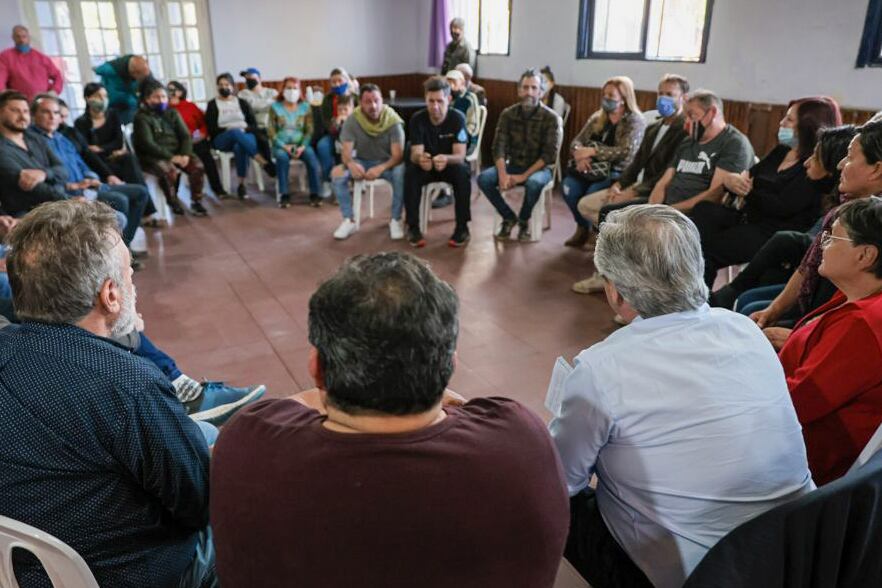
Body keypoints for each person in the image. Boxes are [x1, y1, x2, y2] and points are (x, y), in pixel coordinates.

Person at [211, 251, 569, 587]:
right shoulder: (522, 443)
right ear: (449, 366)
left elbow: (286, 409)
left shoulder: (248, 444)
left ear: (316, 369)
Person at [550, 204, 814, 588]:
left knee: (556, 495)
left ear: (616, 291)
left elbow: (563, 480)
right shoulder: (744, 329)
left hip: (697, 574)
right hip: (792, 554)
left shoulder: (601, 368)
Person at [0, 200, 217, 588]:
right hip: (136, 573)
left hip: (22, 572)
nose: (134, 283)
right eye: (129, 273)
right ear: (110, 295)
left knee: (206, 434)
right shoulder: (128, 385)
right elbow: (198, 504)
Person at [752, 119, 882, 350]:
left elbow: (854, 316)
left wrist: (801, 338)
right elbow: (809, 266)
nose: (840, 164)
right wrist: (774, 310)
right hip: (817, 321)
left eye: (850, 157)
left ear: (876, 169)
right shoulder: (843, 208)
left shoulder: (870, 226)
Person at [779, 197, 882, 486]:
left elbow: (797, 403)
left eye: (832, 237)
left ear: (865, 255)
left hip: (801, 461)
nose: (822, 244)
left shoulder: (862, 324)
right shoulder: (854, 298)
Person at [692, 97, 842, 287]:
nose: (782, 123)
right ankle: (689, 264)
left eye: (789, 120)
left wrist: (748, 193)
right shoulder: (782, 150)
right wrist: (733, 181)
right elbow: (750, 175)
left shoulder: (814, 166)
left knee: (709, 250)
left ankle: (699, 293)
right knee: (704, 211)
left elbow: (783, 206)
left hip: (772, 230)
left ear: (807, 126)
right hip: (750, 217)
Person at [710, 125, 857, 312]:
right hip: (777, 243)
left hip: (815, 283)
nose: (807, 163)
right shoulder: (832, 197)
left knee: (779, 247)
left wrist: (749, 193)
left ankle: (726, 295)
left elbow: (814, 252)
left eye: (815, 157)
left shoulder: (846, 208)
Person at [30, 94, 149, 250]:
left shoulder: (62, 138)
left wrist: (90, 177)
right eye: (46, 112)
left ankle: (123, 246)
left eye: (56, 113)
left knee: (140, 192)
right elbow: (48, 175)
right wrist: (72, 186)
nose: (52, 117)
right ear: (34, 115)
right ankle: (117, 250)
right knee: (120, 200)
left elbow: (81, 162)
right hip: (71, 192)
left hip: (89, 185)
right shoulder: (34, 142)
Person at [477, 68, 562, 242]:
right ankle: (508, 217)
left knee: (533, 183)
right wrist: (502, 174)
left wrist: (523, 176)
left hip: (540, 168)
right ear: (519, 90)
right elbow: (498, 147)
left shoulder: (551, 118)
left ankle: (523, 221)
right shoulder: (508, 114)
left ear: (541, 92)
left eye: (533, 88)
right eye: (525, 87)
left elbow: (548, 156)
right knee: (484, 179)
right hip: (513, 164)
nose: (529, 92)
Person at [562, 76, 645, 246]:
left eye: (611, 95)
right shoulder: (598, 118)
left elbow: (625, 152)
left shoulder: (634, 121)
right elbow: (576, 142)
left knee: (591, 193)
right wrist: (580, 156)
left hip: (616, 173)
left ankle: (597, 231)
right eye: (604, 94)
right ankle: (582, 228)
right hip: (588, 169)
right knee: (569, 188)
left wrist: (593, 151)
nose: (606, 99)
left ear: (624, 99)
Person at [330, 83, 405, 240]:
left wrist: (380, 168)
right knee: (337, 174)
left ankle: (395, 219)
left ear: (382, 100)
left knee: (401, 172)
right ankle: (349, 219)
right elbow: (346, 154)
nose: (373, 106)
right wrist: (351, 164)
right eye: (368, 102)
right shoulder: (352, 121)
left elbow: (397, 156)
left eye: (376, 100)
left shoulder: (393, 121)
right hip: (362, 162)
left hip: (387, 164)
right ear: (360, 103)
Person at [404, 76, 471, 248]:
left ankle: (462, 227)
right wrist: (420, 159)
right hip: (426, 166)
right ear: (425, 99)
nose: (435, 106)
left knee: (463, 171)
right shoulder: (417, 119)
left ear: (448, 99)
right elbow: (415, 153)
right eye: (431, 101)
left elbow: (460, 155)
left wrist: (446, 159)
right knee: (411, 173)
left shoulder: (457, 118)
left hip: (449, 165)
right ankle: (413, 227)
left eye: (440, 101)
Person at [133, 79, 208, 216]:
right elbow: (148, 144)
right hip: (153, 156)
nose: (161, 100)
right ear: (147, 99)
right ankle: (172, 201)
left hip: (178, 152)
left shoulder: (172, 113)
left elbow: (185, 136)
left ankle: (196, 201)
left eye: (163, 97)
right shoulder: (141, 118)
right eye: (156, 97)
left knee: (198, 166)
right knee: (170, 171)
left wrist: (185, 154)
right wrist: (172, 157)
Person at [205, 72, 276, 199]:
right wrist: (229, 128)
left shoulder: (242, 102)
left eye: (227, 84)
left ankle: (241, 185)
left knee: (240, 146)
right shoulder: (212, 104)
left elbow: (253, 124)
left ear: (232, 86)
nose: (224, 87)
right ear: (217, 87)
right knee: (234, 132)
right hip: (223, 138)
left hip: (244, 134)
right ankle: (263, 162)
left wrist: (244, 129)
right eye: (221, 85)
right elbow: (211, 128)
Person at [0, 90, 68, 215]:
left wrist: (44, 173)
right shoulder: (2, 149)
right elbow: (34, 188)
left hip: (59, 203)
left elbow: (63, 171)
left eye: (25, 111)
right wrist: (70, 201)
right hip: (29, 213)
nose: (22, 116)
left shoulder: (36, 138)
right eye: (15, 110)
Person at [74, 82, 147, 186]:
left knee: (130, 159)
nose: (103, 99)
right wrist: (106, 150)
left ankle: (142, 192)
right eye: (98, 96)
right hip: (97, 163)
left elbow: (118, 142)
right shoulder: (80, 122)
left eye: (105, 96)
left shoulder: (113, 115)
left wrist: (101, 148)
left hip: (113, 157)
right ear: (87, 98)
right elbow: (87, 150)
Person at [167, 80, 227, 197]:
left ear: (180, 92)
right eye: (168, 89)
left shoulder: (190, 106)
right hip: (176, 143)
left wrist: (200, 135)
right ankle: (174, 195)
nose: (170, 92)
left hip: (195, 139)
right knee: (177, 161)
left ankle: (217, 189)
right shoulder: (165, 109)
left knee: (206, 156)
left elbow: (203, 124)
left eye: (173, 89)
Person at [268, 77, 322, 208]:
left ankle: (315, 193)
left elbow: (309, 130)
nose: (292, 91)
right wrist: (284, 146)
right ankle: (284, 194)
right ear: (283, 90)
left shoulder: (305, 107)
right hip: (281, 145)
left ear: (299, 91)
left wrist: (303, 146)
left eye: (295, 88)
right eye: (288, 88)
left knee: (311, 157)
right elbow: (271, 131)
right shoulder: (275, 107)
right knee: (282, 158)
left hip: (301, 145)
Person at [318, 67, 358, 193]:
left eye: (340, 81)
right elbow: (325, 121)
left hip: (354, 134)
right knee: (322, 146)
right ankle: (327, 180)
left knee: (352, 148)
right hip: (333, 133)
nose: (337, 84)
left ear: (346, 80)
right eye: (333, 82)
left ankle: (354, 180)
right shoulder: (327, 99)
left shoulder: (355, 97)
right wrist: (335, 124)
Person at [0, 25, 63, 100]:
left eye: (24, 36)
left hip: (42, 101)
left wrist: (54, 91)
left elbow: (57, 76)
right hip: (19, 101)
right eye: (18, 37)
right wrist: (3, 95)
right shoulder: (5, 57)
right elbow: (1, 78)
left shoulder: (41, 58)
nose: (21, 40)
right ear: (13, 38)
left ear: (29, 38)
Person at [93, 54, 152, 125]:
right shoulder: (111, 71)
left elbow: (151, 83)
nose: (142, 79)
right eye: (141, 77)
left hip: (131, 106)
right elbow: (98, 70)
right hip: (114, 107)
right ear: (134, 73)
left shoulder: (142, 68)